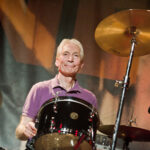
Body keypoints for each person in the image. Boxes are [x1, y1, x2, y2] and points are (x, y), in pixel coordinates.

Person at [15, 38, 98, 141]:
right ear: (57, 61)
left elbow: (90, 137)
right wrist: (25, 130)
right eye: (65, 54)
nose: (70, 59)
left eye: (76, 55)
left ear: (81, 65)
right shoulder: (39, 89)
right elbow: (20, 130)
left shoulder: (90, 98)